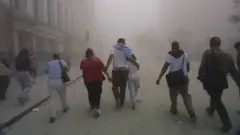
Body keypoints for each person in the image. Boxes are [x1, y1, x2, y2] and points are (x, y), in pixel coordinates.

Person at [198, 37, 240, 133]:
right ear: (219, 44)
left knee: (217, 100)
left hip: (211, 79)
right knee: (216, 95)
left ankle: (227, 124)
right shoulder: (227, 55)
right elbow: (233, 71)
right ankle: (211, 110)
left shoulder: (208, 53)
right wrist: (238, 82)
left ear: (210, 43)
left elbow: (202, 67)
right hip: (222, 80)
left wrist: (201, 78)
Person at [156, 41, 197, 122]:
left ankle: (174, 111)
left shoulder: (170, 56)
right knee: (186, 96)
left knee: (173, 97)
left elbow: (165, 68)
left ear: (172, 47)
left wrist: (159, 78)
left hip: (173, 80)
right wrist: (184, 73)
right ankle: (191, 112)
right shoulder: (185, 55)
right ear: (179, 47)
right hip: (184, 79)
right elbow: (188, 68)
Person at [104, 38, 139, 109]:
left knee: (115, 86)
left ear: (118, 42)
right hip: (124, 71)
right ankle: (121, 103)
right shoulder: (127, 49)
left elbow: (110, 57)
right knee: (123, 87)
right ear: (124, 42)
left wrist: (107, 66)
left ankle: (117, 99)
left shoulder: (114, 48)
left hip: (116, 71)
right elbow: (130, 58)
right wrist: (136, 64)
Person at [80, 48, 111, 117]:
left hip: (88, 81)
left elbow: (82, 68)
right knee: (97, 93)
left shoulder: (83, 61)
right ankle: (97, 107)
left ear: (86, 54)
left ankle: (92, 106)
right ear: (93, 53)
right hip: (97, 80)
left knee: (91, 93)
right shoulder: (98, 60)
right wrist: (108, 77)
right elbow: (104, 70)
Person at [47, 53, 69, 123]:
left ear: (53, 57)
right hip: (60, 81)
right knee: (62, 96)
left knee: (53, 99)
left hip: (51, 82)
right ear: (58, 57)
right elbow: (67, 69)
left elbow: (47, 71)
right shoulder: (61, 61)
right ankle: (65, 108)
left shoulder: (49, 63)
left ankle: (52, 116)